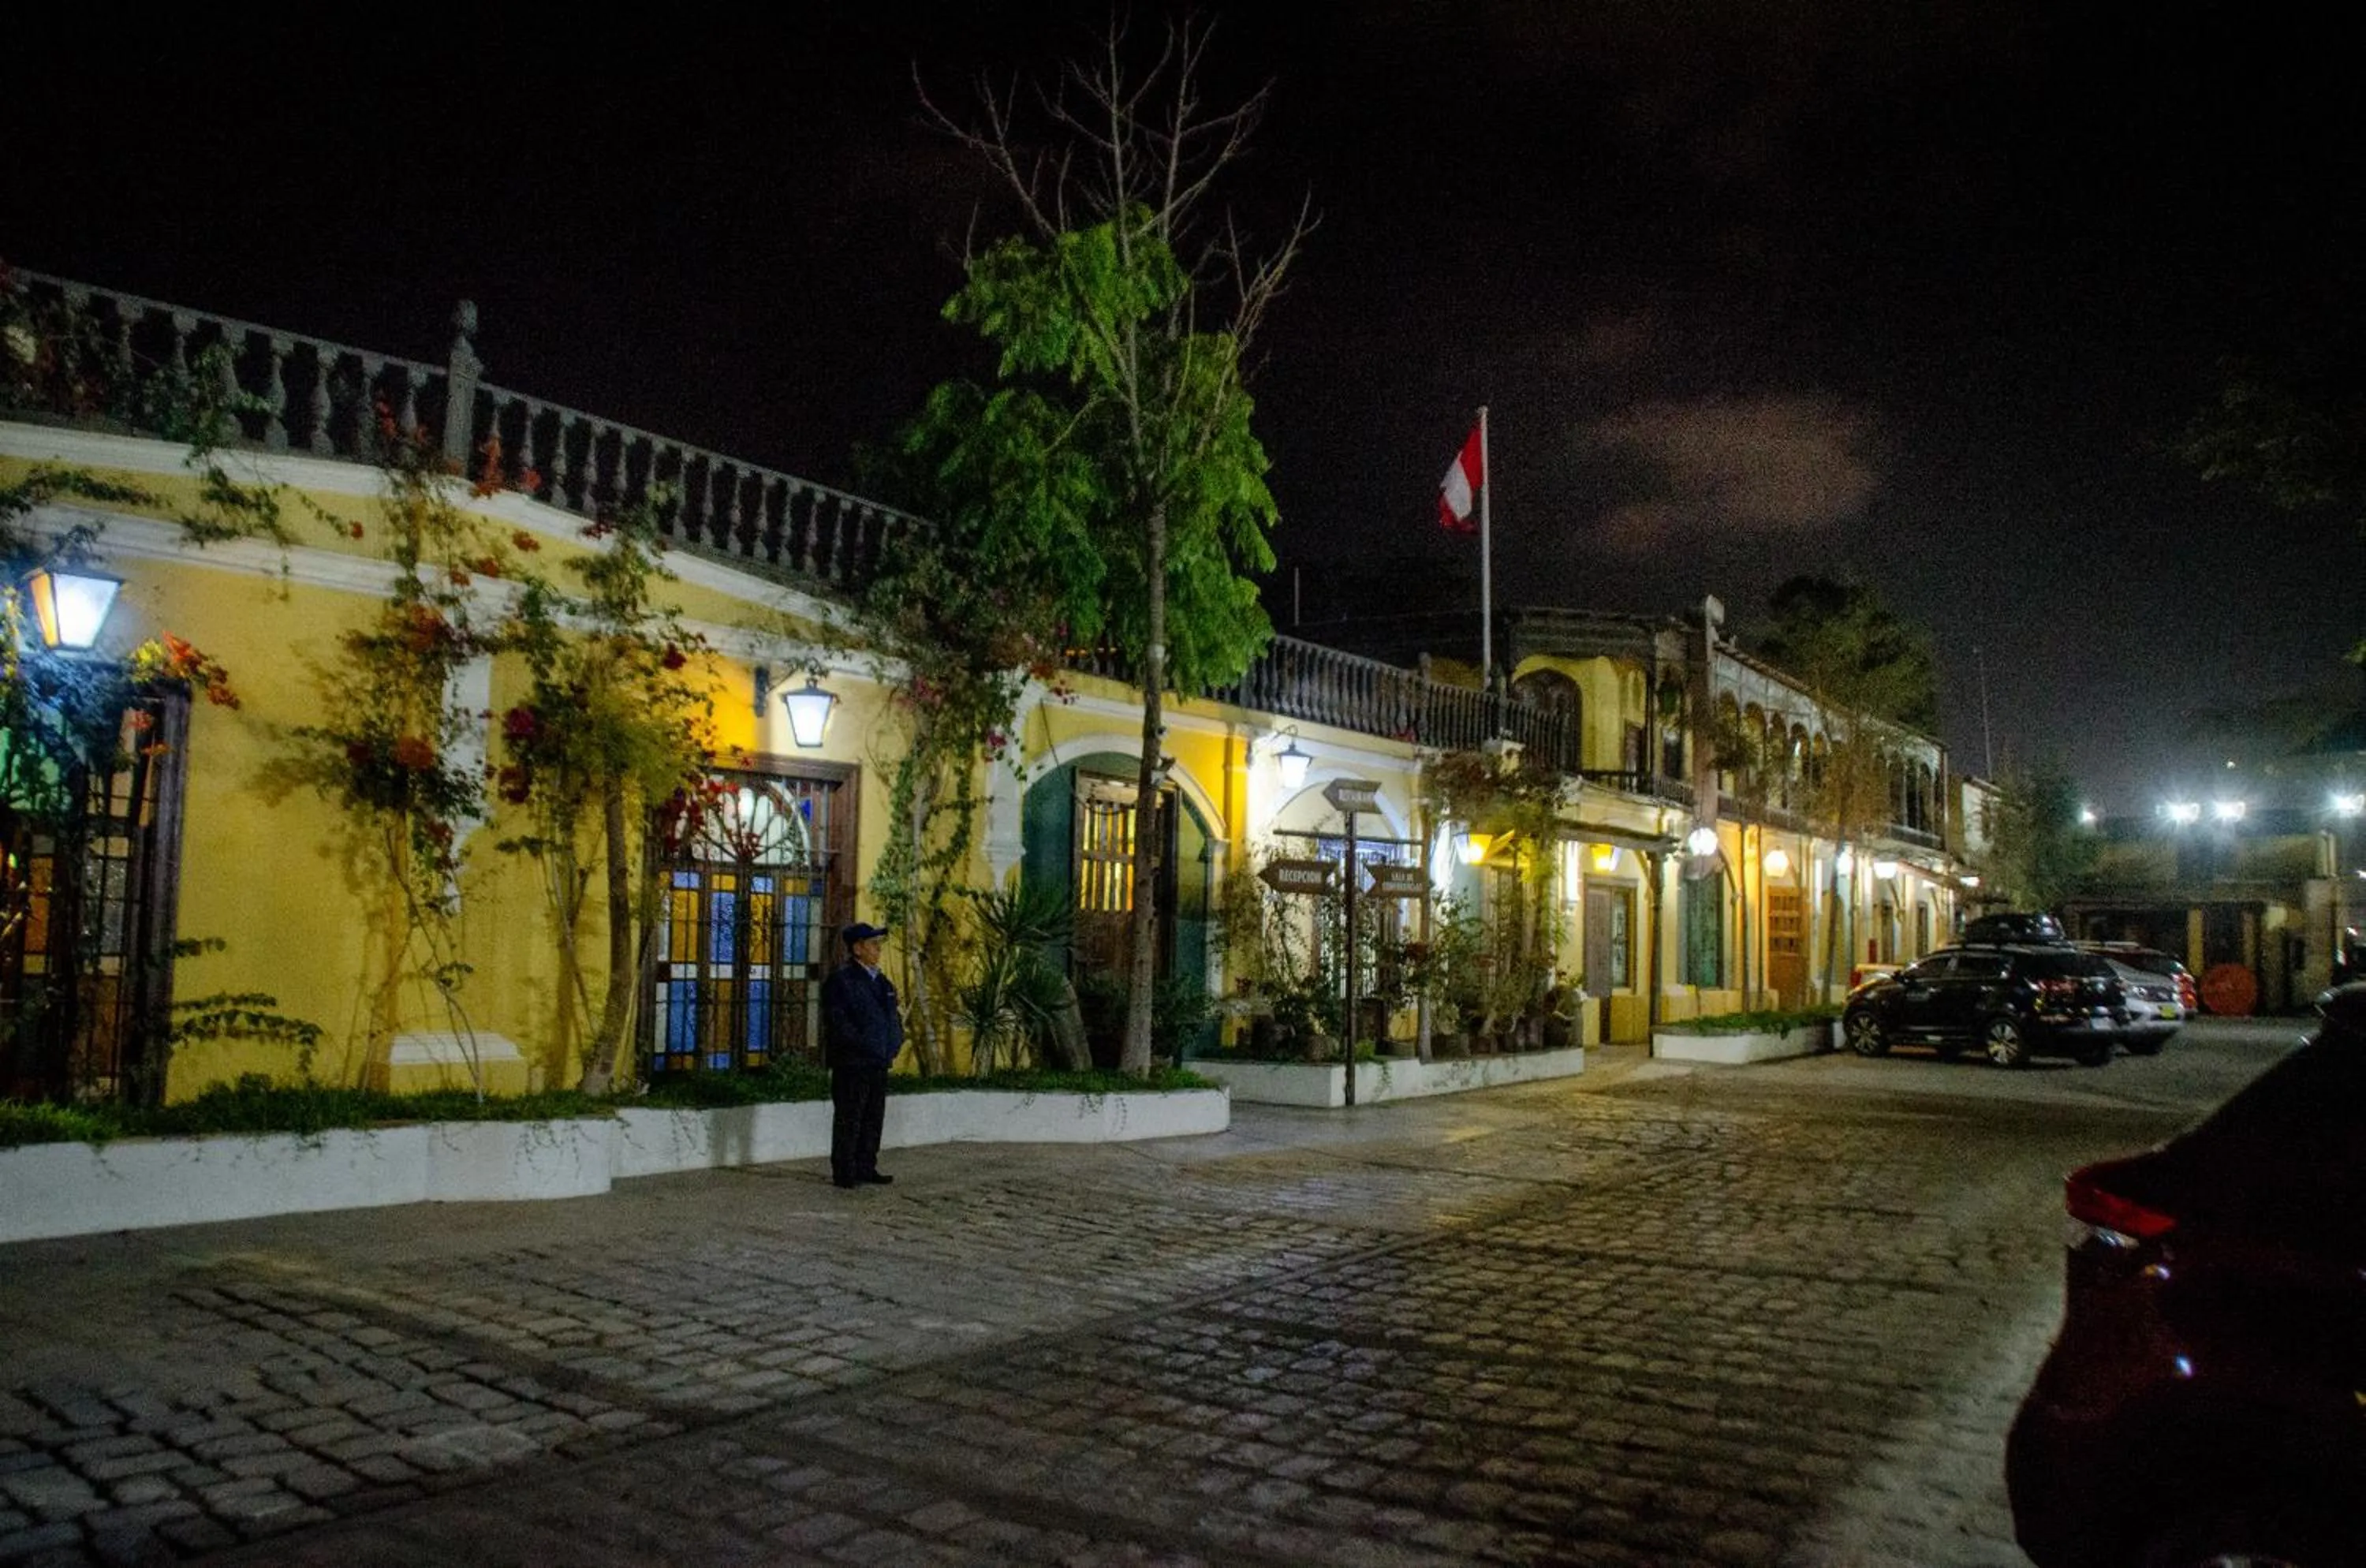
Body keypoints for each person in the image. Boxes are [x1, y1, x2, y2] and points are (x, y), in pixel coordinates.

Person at [821, 921, 902, 1189]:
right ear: (857, 949)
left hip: (878, 1062)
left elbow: (893, 1018)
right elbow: (839, 1023)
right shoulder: (842, 981)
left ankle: (866, 1165)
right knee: (850, 1117)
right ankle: (845, 1170)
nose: (878, 950)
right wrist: (864, 1045)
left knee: (872, 1117)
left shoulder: (882, 982)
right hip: (852, 1062)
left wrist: (893, 1044)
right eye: (873, 945)